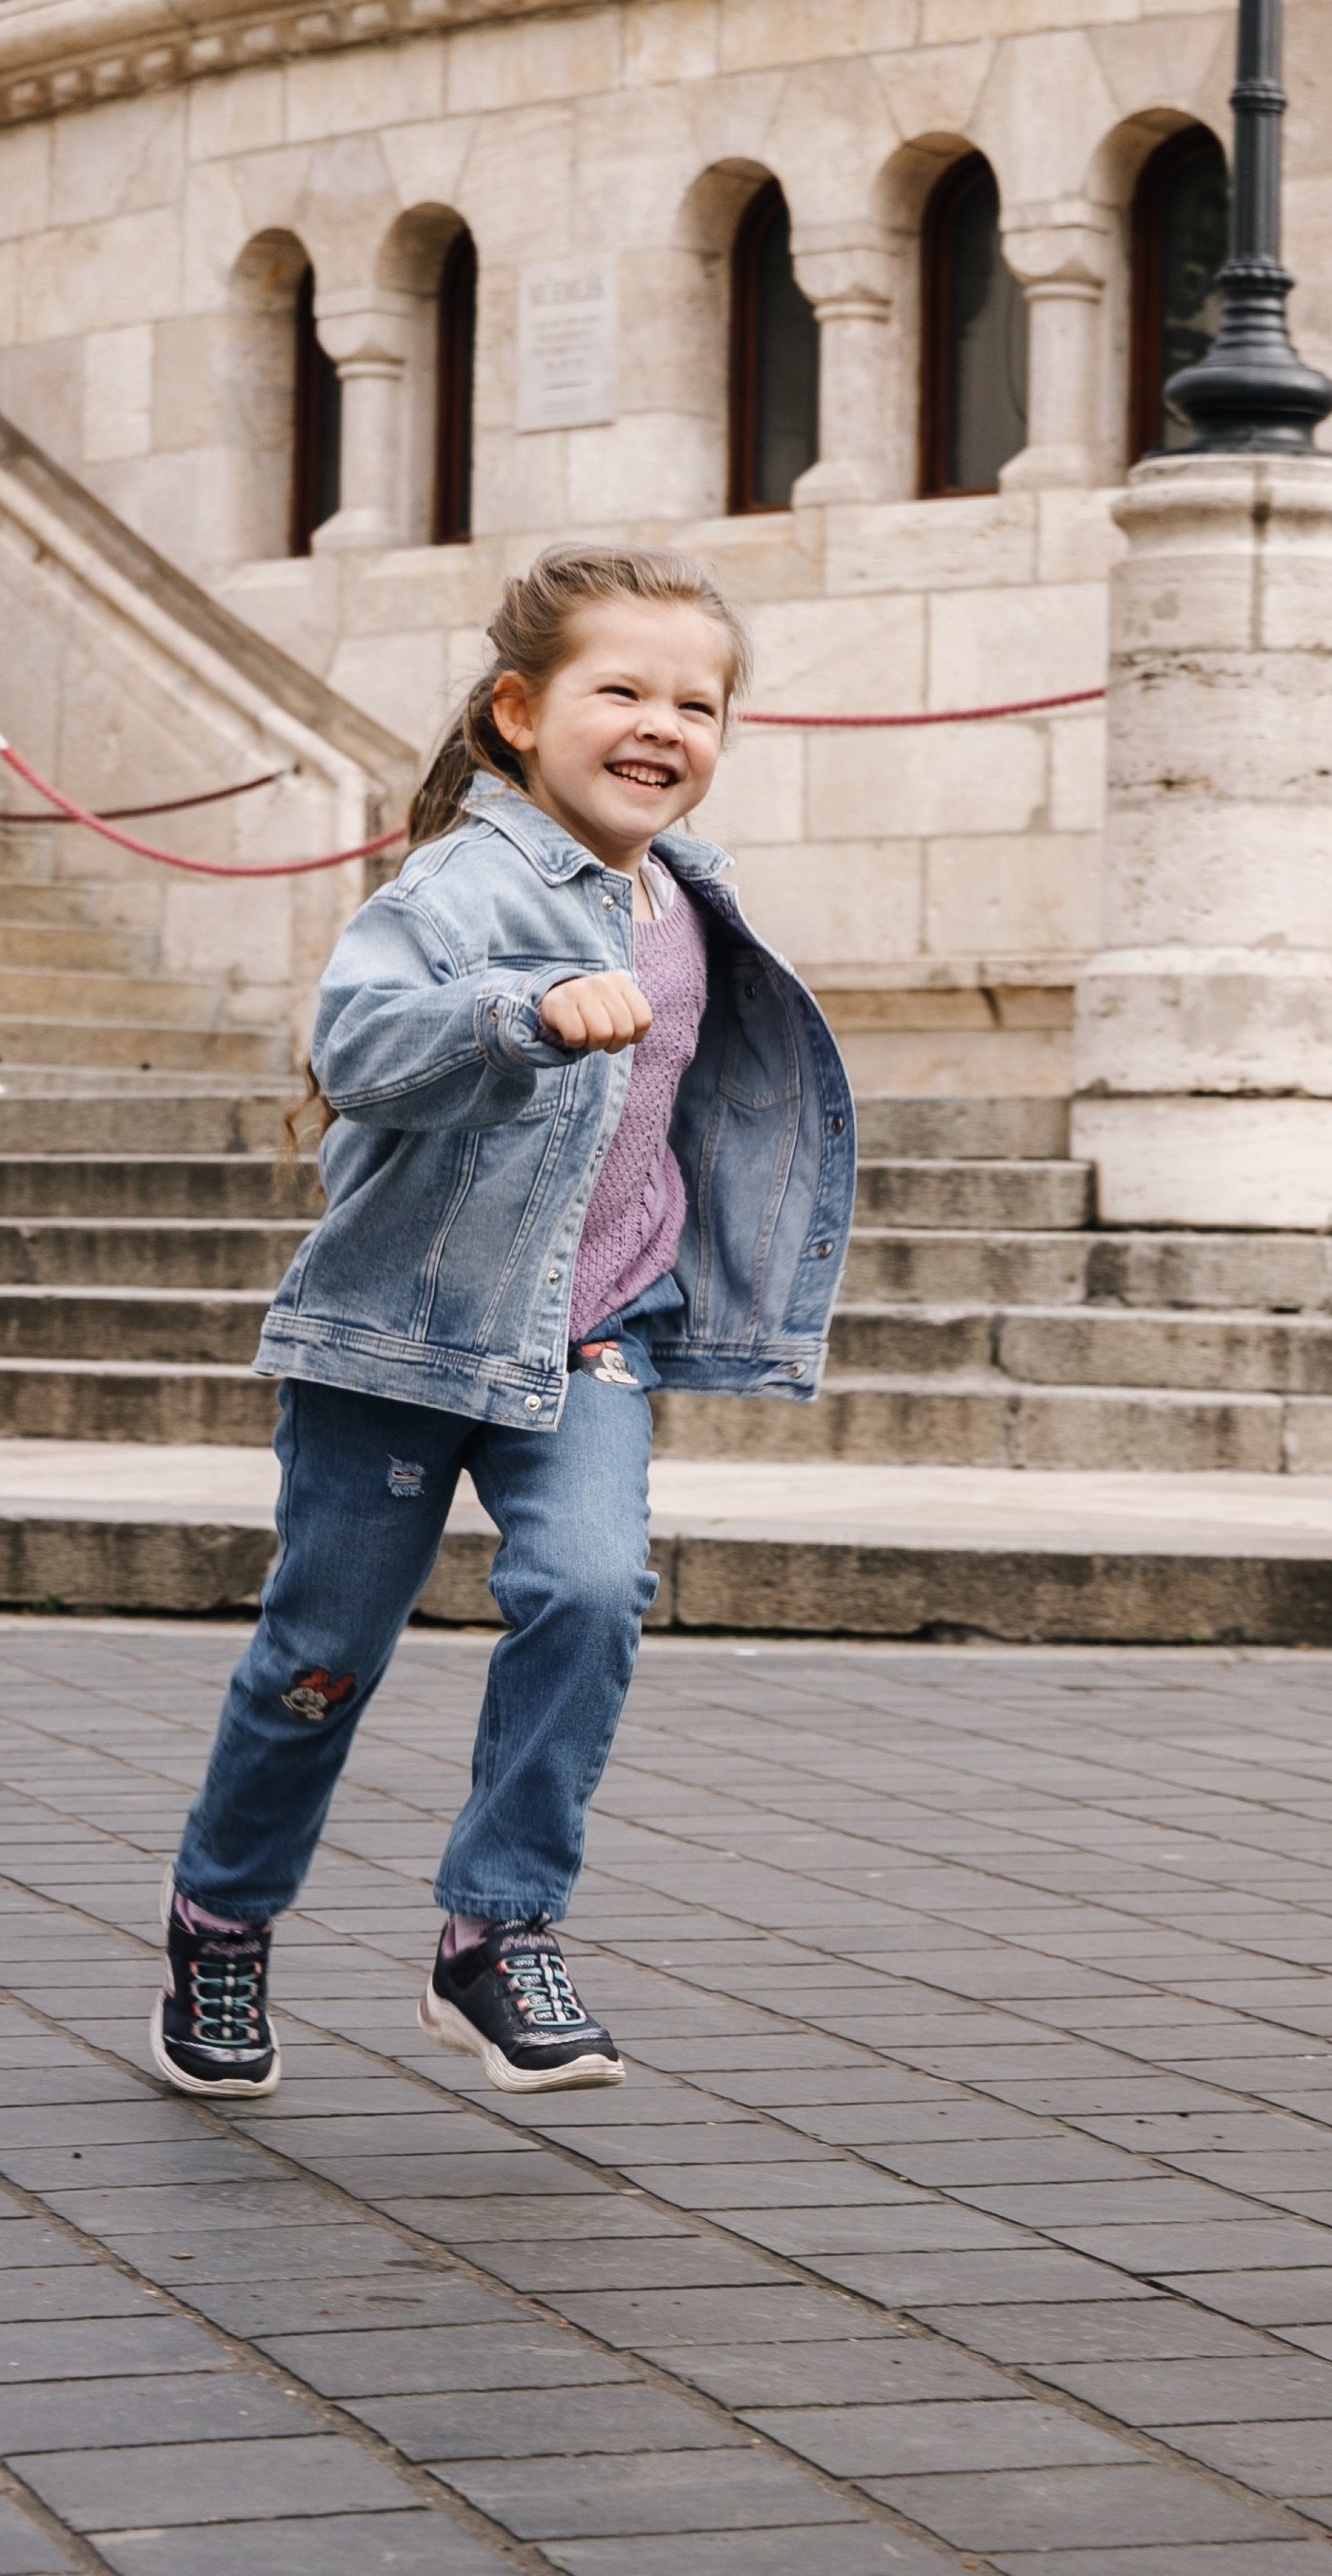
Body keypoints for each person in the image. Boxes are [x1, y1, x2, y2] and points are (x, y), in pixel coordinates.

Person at [153, 543, 854, 2103]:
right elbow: (357, 1043)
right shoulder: (463, 884)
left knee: (593, 1591)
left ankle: (495, 1927)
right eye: (623, 689)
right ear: (518, 713)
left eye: (700, 701)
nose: (663, 723)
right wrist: (516, 1014)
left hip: (589, 1335)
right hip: (397, 1343)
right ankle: (220, 1918)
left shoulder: (687, 896)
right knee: (324, 1659)